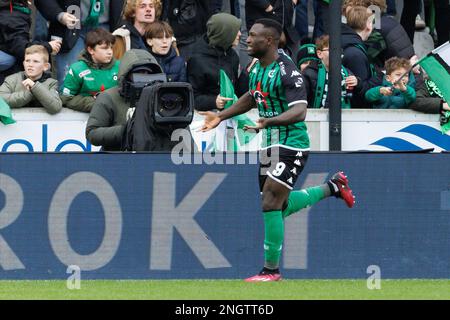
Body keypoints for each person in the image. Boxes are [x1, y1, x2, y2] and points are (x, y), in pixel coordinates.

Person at [199, 19, 355, 282]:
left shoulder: (287, 70)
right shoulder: (258, 67)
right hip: (268, 143)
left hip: (291, 143)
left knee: (270, 200)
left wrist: (269, 121)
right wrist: (221, 116)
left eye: (254, 36)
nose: (248, 39)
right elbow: (252, 96)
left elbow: (300, 110)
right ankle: (333, 187)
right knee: (277, 206)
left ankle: (271, 271)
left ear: (269, 41)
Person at [35, 0, 125, 90]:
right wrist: (59, 15)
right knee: (68, 80)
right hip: (71, 27)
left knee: (110, 80)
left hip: (106, 27)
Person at [85, 49, 161, 151]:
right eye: (139, 73)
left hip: (156, 158)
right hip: (119, 158)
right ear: (127, 74)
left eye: (149, 73)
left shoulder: (161, 97)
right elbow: (92, 133)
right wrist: (126, 130)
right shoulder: (108, 97)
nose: (144, 77)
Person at [187, 12, 241, 111]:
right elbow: (192, 97)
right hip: (207, 114)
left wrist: (248, 72)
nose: (240, 34)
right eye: (235, 31)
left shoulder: (232, 54)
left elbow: (236, 89)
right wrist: (213, 101)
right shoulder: (197, 60)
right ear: (224, 34)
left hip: (230, 112)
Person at [0, 0, 61, 83]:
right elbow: (20, 48)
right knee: (9, 60)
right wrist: (47, 46)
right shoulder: (11, 15)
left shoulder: (9, 9)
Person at [61, 28, 120, 113]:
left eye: (111, 48)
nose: (110, 52)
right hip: (82, 120)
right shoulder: (77, 69)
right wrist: (95, 103)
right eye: (104, 48)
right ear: (91, 50)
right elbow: (66, 98)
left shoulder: (120, 66)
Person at [0, 45, 62, 114]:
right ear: (23, 64)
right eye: (27, 61)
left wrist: (35, 87)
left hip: (40, 123)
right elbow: (1, 100)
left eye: (35, 61)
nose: (30, 65)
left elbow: (55, 107)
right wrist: (27, 94)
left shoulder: (51, 83)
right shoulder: (12, 79)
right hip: (15, 124)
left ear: (45, 66)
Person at [341, 5, 382, 108]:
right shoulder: (355, 54)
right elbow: (361, 92)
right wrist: (382, 76)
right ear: (368, 25)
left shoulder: (345, 42)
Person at [303, 35, 358, 109]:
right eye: (331, 50)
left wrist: (358, 83)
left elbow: (359, 99)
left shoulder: (347, 72)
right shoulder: (308, 74)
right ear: (319, 54)